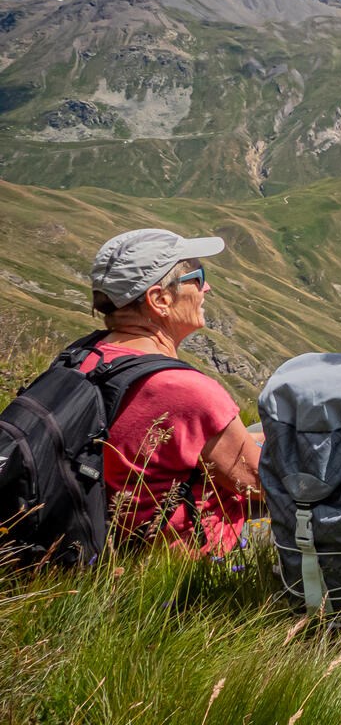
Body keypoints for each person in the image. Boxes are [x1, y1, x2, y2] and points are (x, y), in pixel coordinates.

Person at [87, 228, 262, 553]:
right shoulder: (184, 390)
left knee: (256, 432)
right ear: (160, 300)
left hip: (102, 543)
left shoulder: (84, 356)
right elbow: (259, 484)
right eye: (198, 277)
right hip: (184, 569)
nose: (206, 287)